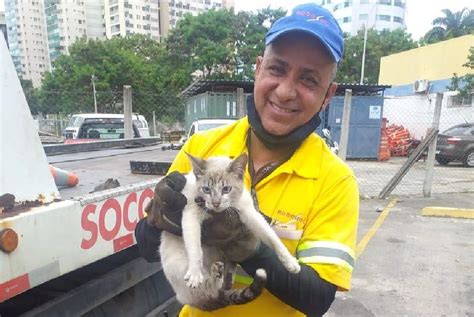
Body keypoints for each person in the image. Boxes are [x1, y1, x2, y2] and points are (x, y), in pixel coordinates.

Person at [135, 3, 359, 317]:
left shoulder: (336, 181)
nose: (285, 91)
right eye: (277, 69)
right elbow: (145, 247)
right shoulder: (203, 148)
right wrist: (155, 219)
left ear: (328, 94)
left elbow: (318, 298)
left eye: (308, 80)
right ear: (258, 69)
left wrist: (252, 248)